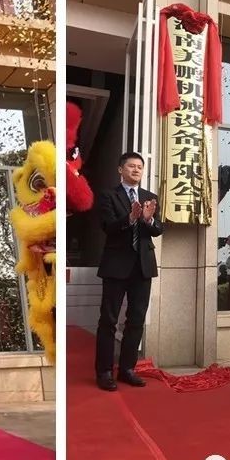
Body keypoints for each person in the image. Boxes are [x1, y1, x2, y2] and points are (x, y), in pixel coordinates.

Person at [94, 151, 163, 391]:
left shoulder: (149, 198)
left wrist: (148, 220)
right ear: (120, 169)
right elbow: (108, 227)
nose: (136, 170)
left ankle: (127, 369)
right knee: (109, 320)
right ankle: (104, 371)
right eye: (131, 166)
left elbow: (158, 230)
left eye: (139, 167)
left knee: (136, 320)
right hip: (116, 265)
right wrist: (131, 218)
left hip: (142, 267)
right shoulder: (108, 195)